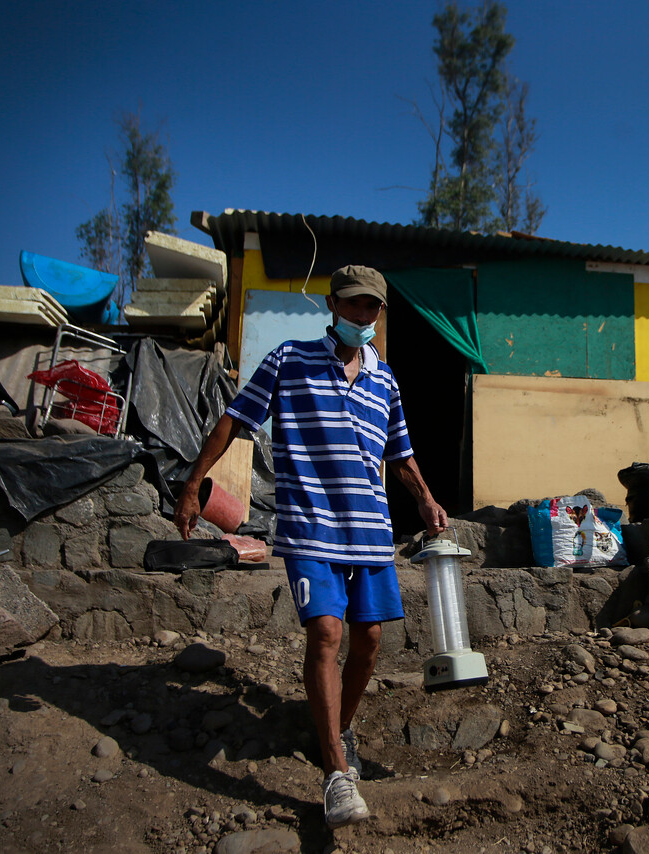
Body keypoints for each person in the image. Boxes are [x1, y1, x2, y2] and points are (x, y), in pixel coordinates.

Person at [174, 265, 448, 830]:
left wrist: (423, 499)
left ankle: (333, 729)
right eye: (352, 305)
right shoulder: (288, 359)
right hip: (309, 525)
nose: (361, 316)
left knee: (369, 641)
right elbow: (235, 420)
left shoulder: (386, 380)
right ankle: (335, 772)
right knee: (326, 630)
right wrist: (194, 482)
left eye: (371, 307)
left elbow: (400, 453)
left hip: (371, 528)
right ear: (332, 304)